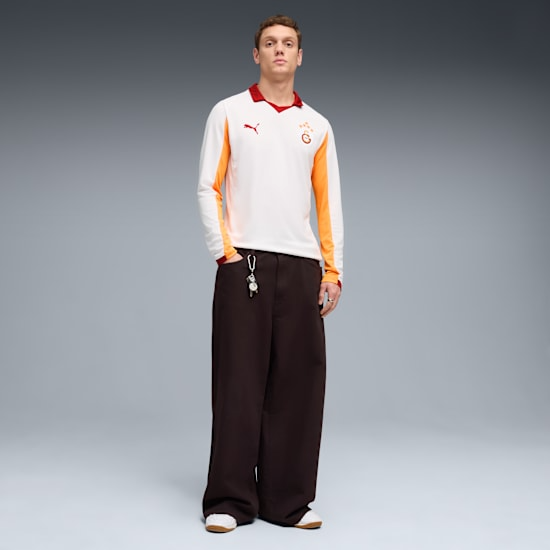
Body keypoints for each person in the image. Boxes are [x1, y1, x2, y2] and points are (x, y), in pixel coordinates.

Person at [197, 14, 344, 533]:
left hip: (302, 267)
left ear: (300, 56)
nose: (279, 50)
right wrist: (225, 254)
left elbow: (328, 204)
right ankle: (229, 500)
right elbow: (208, 186)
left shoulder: (317, 126)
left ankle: (288, 501)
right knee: (238, 383)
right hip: (245, 264)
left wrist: (333, 270)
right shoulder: (230, 112)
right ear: (256, 54)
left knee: (298, 386)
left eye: (288, 44)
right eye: (269, 43)